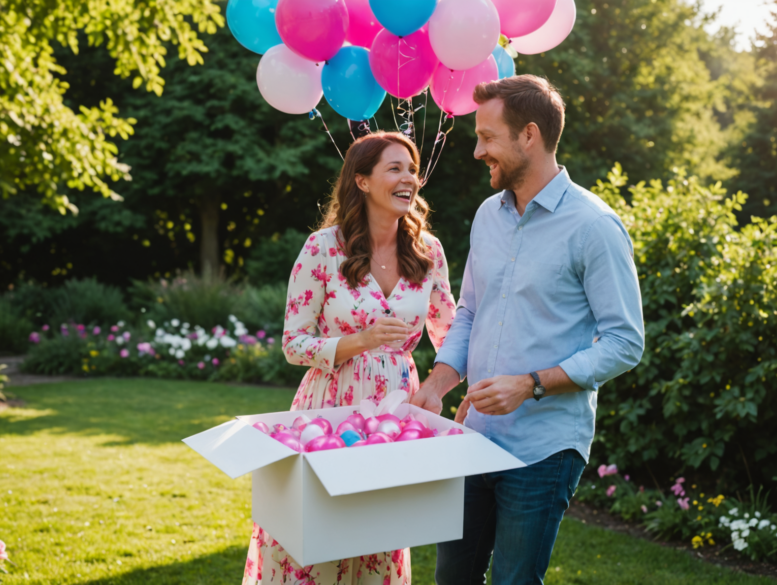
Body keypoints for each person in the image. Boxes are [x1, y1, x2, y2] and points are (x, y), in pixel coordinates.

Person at [410, 75, 646, 584]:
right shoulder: (486, 218)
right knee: (452, 578)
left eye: (488, 137)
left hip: (544, 448)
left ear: (530, 135)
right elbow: (470, 310)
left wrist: (532, 383)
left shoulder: (594, 226)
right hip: (474, 436)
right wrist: (437, 384)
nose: (477, 151)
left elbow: (626, 342)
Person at [242, 131, 457, 585]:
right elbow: (293, 343)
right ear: (361, 181)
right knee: (314, 542)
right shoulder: (322, 248)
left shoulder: (428, 252)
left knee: (378, 540)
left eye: (412, 170)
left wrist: (445, 387)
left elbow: (452, 336)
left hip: (394, 416)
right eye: (395, 168)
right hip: (329, 411)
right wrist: (359, 340)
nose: (409, 179)